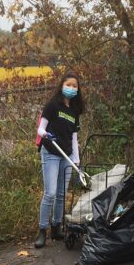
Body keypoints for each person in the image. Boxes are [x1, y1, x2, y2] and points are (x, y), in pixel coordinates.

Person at [33, 72, 85, 248]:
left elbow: (74, 139)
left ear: (78, 90)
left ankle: (56, 228)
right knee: (51, 193)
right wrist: (47, 135)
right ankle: (42, 231)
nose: (71, 88)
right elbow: (40, 129)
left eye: (74, 86)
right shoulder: (52, 105)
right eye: (68, 84)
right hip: (51, 152)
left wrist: (76, 162)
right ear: (62, 85)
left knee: (62, 194)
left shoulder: (75, 111)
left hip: (67, 154)